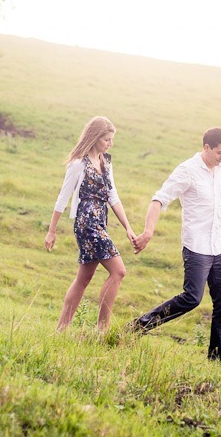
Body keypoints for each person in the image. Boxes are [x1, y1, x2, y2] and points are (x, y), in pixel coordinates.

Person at [129, 127, 221, 360]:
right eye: (219, 152)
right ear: (206, 147)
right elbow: (159, 199)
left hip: (217, 248)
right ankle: (138, 326)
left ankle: (218, 358)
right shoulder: (187, 171)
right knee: (192, 298)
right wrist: (148, 231)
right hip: (196, 246)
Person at [45, 116, 136, 332]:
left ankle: (60, 331)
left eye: (111, 140)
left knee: (83, 279)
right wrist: (51, 231)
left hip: (100, 222)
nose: (110, 144)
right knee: (118, 271)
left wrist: (128, 228)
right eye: (106, 139)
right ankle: (101, 330)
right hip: (87, 224)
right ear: (95, 137)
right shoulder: (78, 164)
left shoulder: (106, 162)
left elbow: (113, 196)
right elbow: (63, 197)